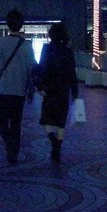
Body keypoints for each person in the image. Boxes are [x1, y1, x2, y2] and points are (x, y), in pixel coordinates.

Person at [0, 10, 39, 164]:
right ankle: (13, 151)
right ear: (21, 25)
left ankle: (10, 145)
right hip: (20, 92)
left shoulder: (0, 43)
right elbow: (31, 70)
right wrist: (31, 89)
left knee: (1, 122)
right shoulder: (28, 46)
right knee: (16, 123)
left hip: (3, 90)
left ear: (7, 24)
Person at [35, 22, 80, 164]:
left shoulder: (47, 49)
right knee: (61, 121)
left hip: (50, 89)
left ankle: (52, 140)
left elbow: (42, 68)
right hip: (63, 90)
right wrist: (75, 92)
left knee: (46, 119)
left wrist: (40, 85)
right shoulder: (68, 52)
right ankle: (57, 148)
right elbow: (72, 73)